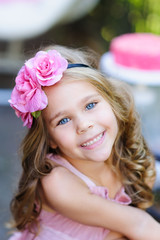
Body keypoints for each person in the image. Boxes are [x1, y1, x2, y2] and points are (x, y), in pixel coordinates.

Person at [8, 45, 160, 240]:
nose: (84, 125)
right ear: (50, 139)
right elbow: (139, 224)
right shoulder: (58, 183)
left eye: (90, 105)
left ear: (112, 103)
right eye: (63, 120)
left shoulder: (129, 160)